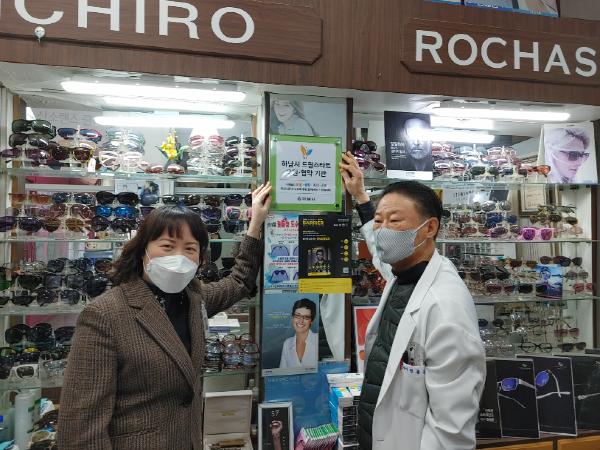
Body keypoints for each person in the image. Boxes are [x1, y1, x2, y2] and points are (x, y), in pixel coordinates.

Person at [58, 183, 272, 450]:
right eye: (168, 246)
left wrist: (255, 224)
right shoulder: (104, 315)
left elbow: (238, 282)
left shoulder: (194, 299)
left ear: (200, 258)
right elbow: (80, 429)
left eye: (190, 249)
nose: (179, 257)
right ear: (143, 250)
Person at [339, 152, 485, 450]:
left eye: (394, 220)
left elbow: (451, 431)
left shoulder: (445, 307)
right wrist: (361, 196)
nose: (382, 230)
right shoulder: (404, 272)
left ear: (429, 228)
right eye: (378, 220)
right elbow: (379, 251)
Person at [279, 298, 318, 369]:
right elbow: (282, 371)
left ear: (311, 321)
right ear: (292, 317)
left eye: (306, 317)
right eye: (298, 315)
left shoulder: (317, 340)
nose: (301, 321)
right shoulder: (287, 344)